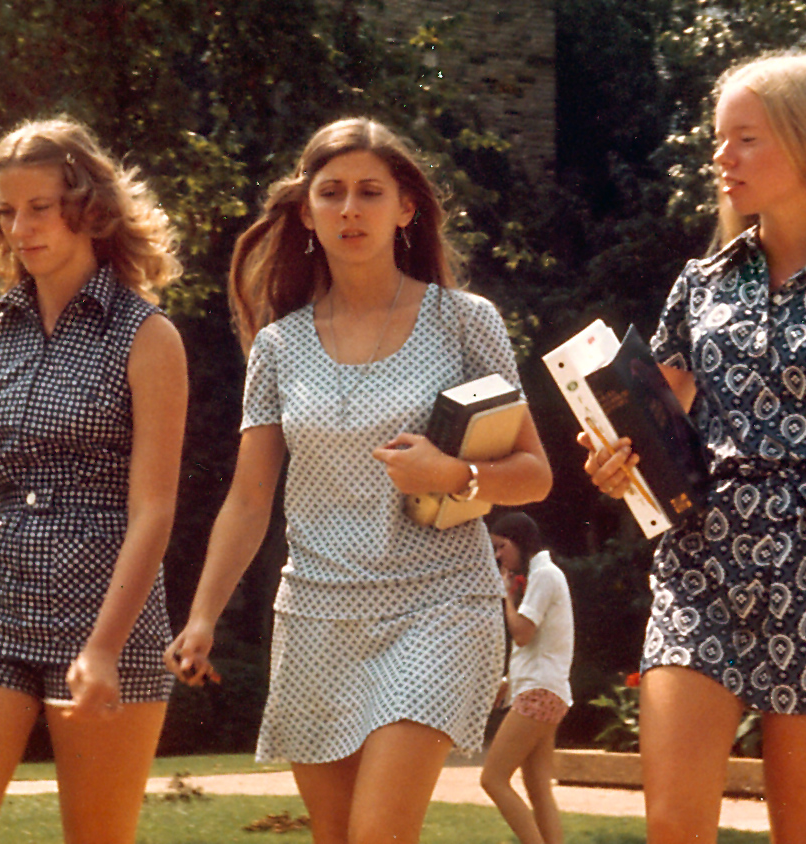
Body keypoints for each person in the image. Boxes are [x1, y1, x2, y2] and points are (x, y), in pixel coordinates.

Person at [581, 52, 806, 844]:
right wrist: (616, 465)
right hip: (701, 561)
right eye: (719, 139)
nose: (722, 157)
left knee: (803, 834)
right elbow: (652, 432)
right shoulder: (702, 285)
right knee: (674, 826)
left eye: (744, 138)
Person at [165, 116, 553, 844]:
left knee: (378, 834)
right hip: (316, 615)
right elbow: (249, 500)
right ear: (307, 211)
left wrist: (455, 472)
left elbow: (534, 476)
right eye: (332, 193)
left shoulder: (465, 322)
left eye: (370, 192)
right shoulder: (278, 347)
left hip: (440, 605)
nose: (350, 209)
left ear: (405, 208)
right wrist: (202, 615)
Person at [0, 116, 187, 844]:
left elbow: (154, 509)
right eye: (7, 210)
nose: (19, 227)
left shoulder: (148, 338)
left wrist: (106, 647)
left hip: (109, 615)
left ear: (88, 207)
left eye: (38, 207)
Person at [481, 512, 574, 844]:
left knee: (493, 779)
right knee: (537, 790)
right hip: (547, 690)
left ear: (519, 542)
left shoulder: (545, 576)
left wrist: (506, 595)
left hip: (539, 691)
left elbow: (521, 633)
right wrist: (509, 680)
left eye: (501, 547)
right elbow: (537, 644)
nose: (498, 557)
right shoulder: (543, 575)